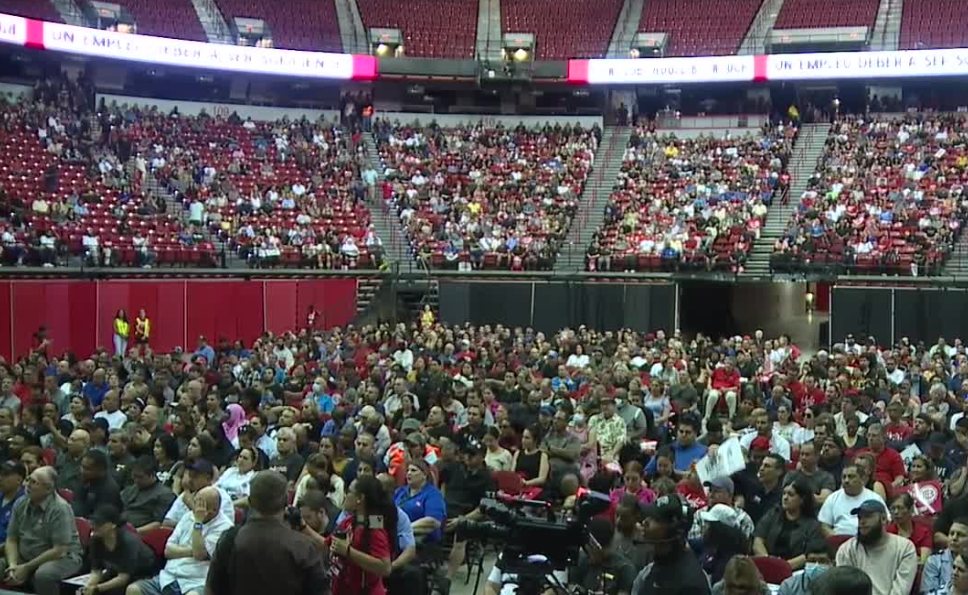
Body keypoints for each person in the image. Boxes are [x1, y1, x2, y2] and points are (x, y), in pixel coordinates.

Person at [206, 471, 327, 595]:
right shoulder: (303, 547)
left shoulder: (230, 539)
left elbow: (211, 590)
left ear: (250, 501)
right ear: (286, 501)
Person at [127, 486, 232, 595]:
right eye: (195, 502)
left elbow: (199, 554)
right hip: (169, 577)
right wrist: (191, 552)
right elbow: (167, 551)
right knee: (133, 590)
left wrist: (198, 523)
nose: (195, 508)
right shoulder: (187, 516)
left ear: (213, 510)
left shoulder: (225, 527)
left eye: (200, 505)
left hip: (195, 582)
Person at [0, 466, 83, 595]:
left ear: (48, 489)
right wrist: (12, 565)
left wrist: (26, 568)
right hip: (26, 554)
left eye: (34, 482)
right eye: (28, 480)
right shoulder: (20, 503)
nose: (27, 485)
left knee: (44, 575)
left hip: (61, 557)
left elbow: (59, 550)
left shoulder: (60, 509)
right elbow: (12, 539)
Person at [631, 493, 711, 595]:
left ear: (673, 530)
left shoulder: (691, 584)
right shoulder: (657, 564)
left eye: (654, 519)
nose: (644, 522)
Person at [330, 476, 397, 595]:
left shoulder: (375, 524)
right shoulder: (350, 520)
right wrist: (303, 527)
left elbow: (386, 568)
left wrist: (348, 551)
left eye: (349, 491)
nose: (345, 495)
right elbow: (327, 543)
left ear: (360, 498)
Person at [835, 499, 917, 595]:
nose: (862, 522)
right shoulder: (847, 549)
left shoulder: (905, 548)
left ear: (883, 519)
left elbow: (901, 590)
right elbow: (845, 588)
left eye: (868, 517)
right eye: (860, 517)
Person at [83, 504, 156, 595]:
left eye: (99, 523)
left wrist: (97, 588)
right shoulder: (95, 540)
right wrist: (88, 586)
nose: (93, 526)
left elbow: (123, 577)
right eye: (93, 522)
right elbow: (96, 570)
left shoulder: (128, 541)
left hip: (140, 575)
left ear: (113, 525)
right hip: (115, 572)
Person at [753, 479, 824, 570]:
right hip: (767, 565)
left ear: (802, 500)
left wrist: (783, 567)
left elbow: (808, 556)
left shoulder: (812, 525)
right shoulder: (773, 514)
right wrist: (768, 561)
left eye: (791, 495)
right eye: (784, 494)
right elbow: (758, 539)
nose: (785, 497)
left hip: (794, 570)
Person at [569, 516, 637, 595]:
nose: (585, 552)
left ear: (597, 547)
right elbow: (571, 585)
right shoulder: (582, 559)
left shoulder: (625, 569)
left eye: (589, 550)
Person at [818, 463, 886, 535]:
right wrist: (835, 538)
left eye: (851, 477)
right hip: (839, 540)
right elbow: (824, 525)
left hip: (868, 540)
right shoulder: (832, 498)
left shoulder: (874, 498)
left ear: (862, 479)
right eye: (844, 477)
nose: (846, 480)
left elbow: (885, 522)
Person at [393, 460, 445, 544]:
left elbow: (433, 522)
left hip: (422, 543)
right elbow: (386, 512)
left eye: (413, 470)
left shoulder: (433, 494)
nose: (408, 473)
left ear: (424, 475)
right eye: (407, 470)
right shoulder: (400, 491)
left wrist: (404, 529)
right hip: (398, 537)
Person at [923, 519, 968, 593]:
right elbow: (928, 592)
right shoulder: (934, 561)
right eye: (951, 533)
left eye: (960, 535)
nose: (954, 538)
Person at [74, 449, 122, 518]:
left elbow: (101, 519)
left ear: (101, 470)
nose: (82, 471)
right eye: (82, 466)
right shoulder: (86, 478)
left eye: (87, 468)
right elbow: (76, 502)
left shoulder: (109, 489)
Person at [886, 493, 932, 566]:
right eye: (893, 508)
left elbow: (923, 563)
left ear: (911, 510)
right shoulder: (887, 532)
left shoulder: (923, 532)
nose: (896, 512)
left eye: (900, 508)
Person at [0, 461, 25, 547]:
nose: (0, 478)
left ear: (19, 480)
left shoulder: (26, 504)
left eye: (5, 475)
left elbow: (17, 540)